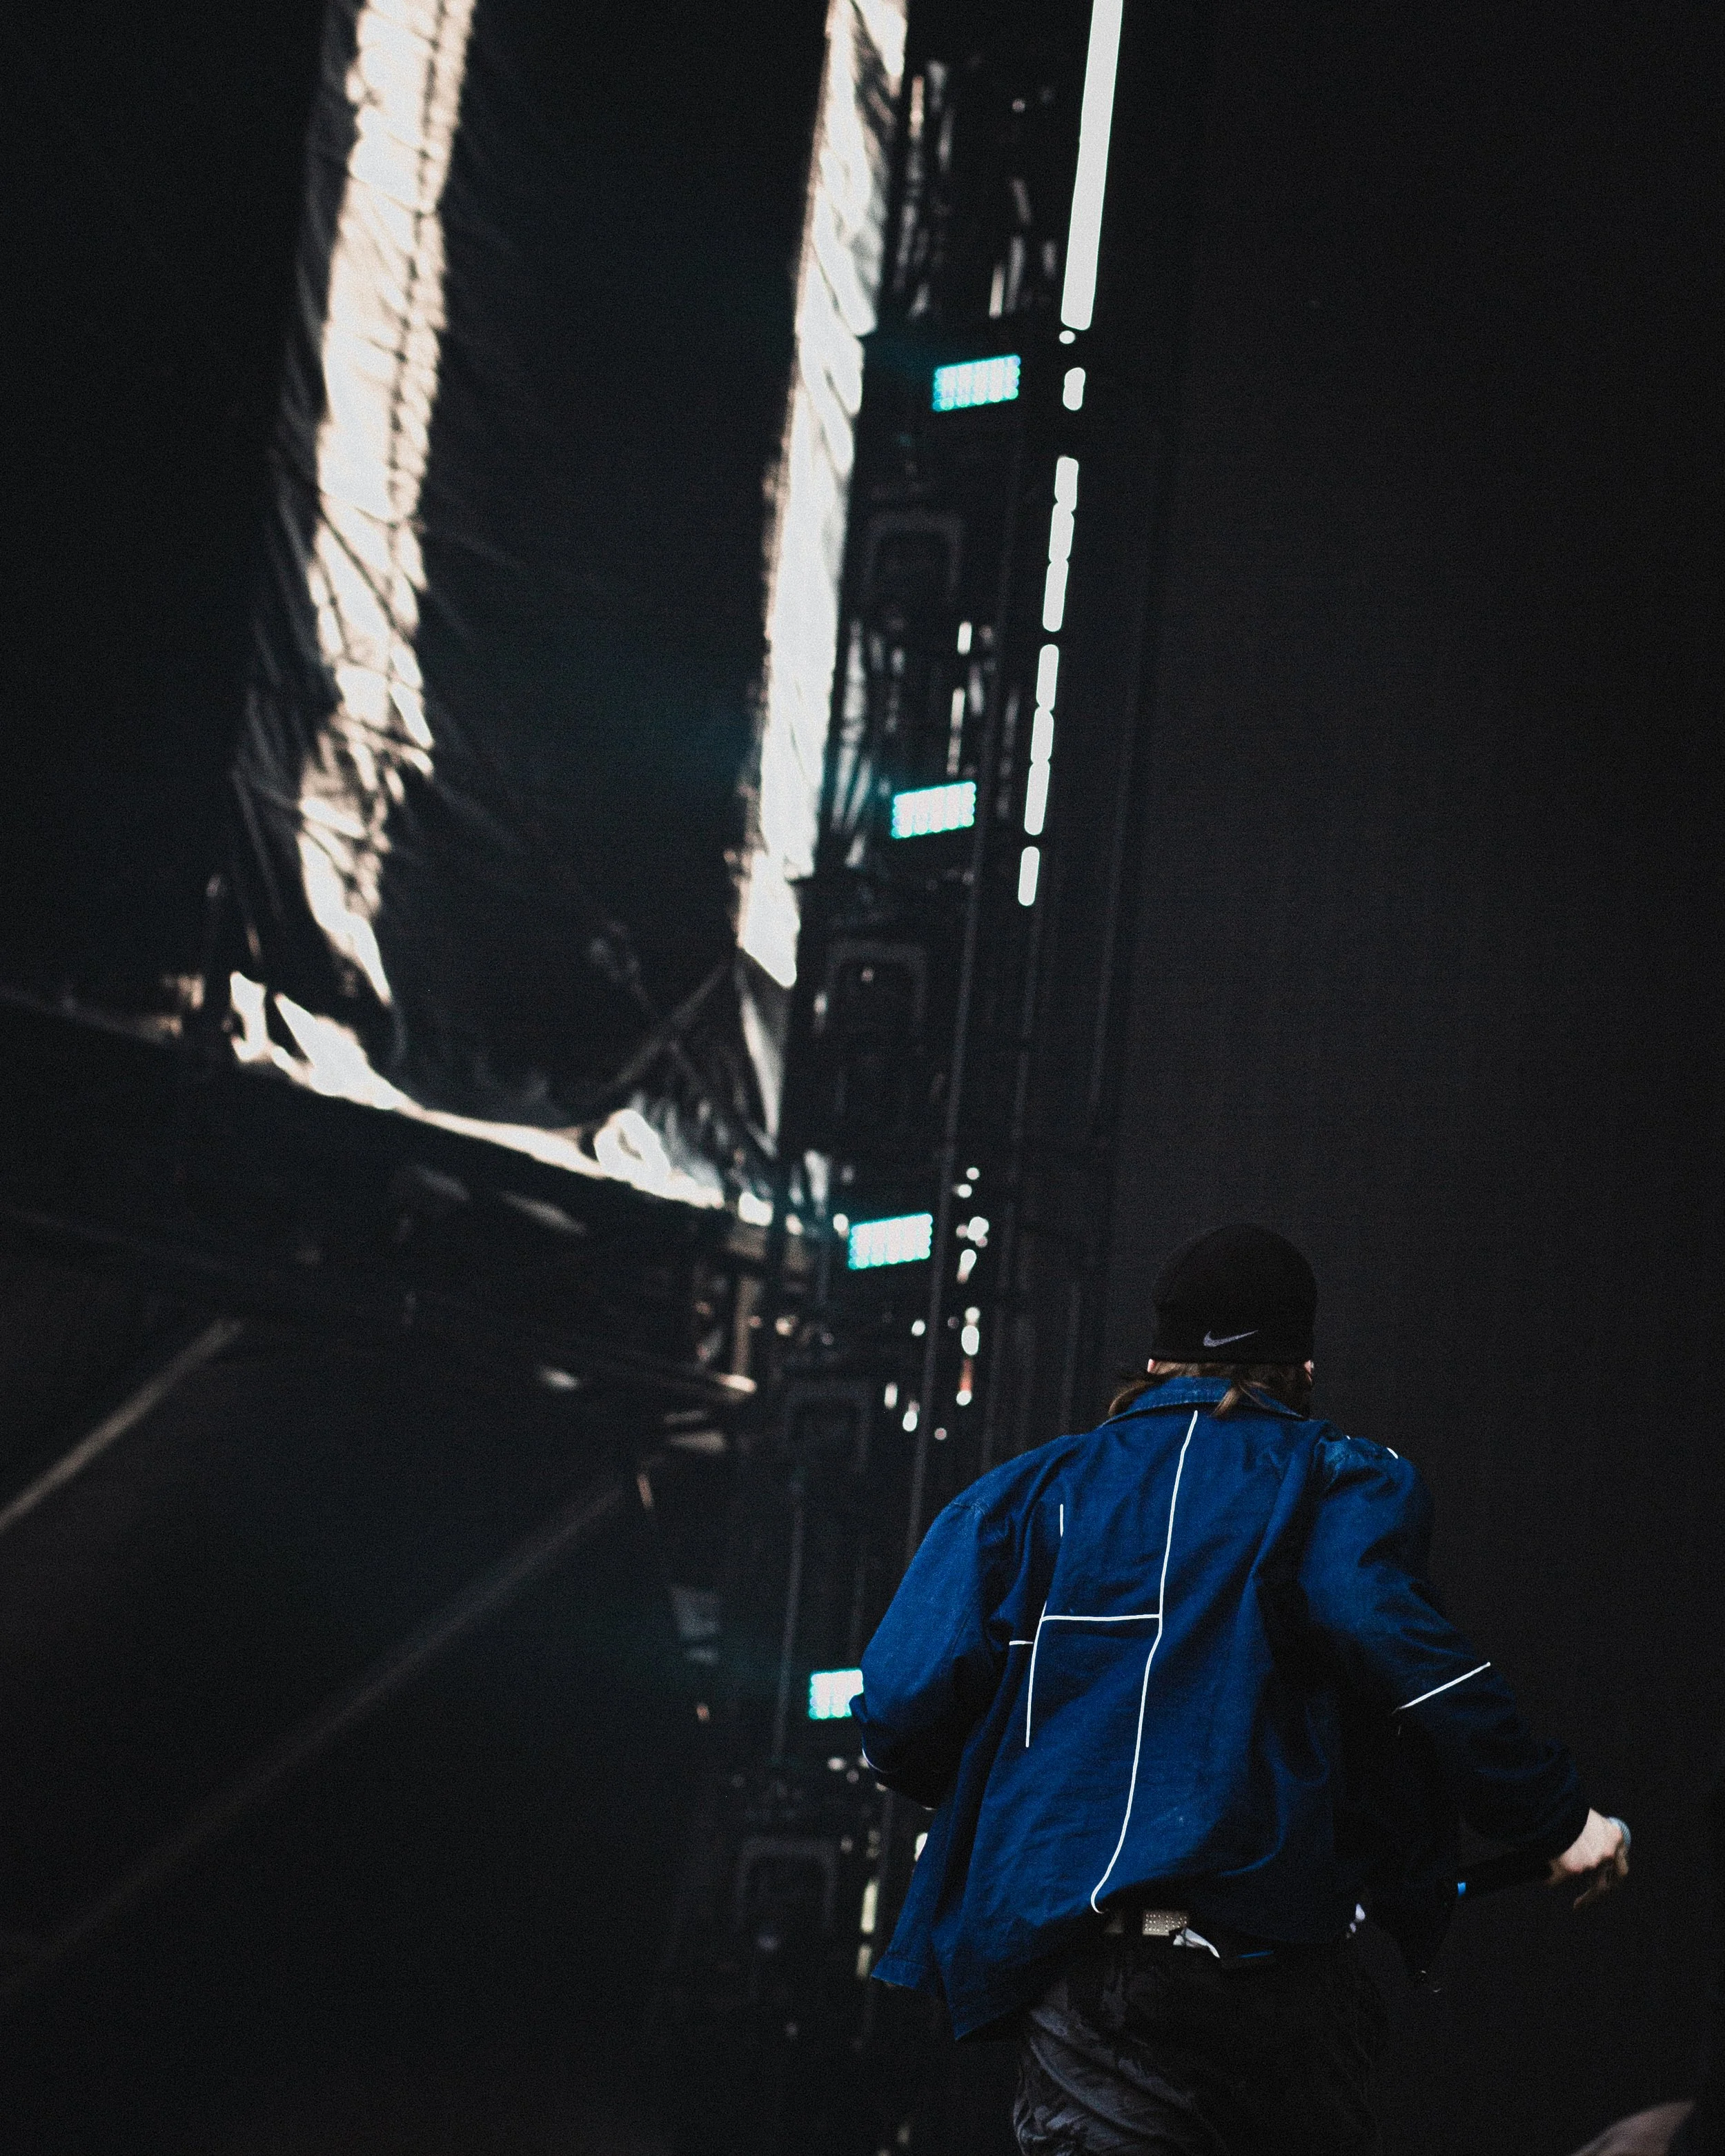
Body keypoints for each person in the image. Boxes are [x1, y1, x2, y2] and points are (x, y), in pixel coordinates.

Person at [854, 1223, 1627, 2156]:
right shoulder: (1338, 1479)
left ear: (1153, 1354)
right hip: (1286, 1984)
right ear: (1300, 1362)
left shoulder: (1020, 1500)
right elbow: (1394, 1640)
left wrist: (1023, 1793)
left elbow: (898, 1707)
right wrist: (1557, 1820)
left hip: (1102, 1987)